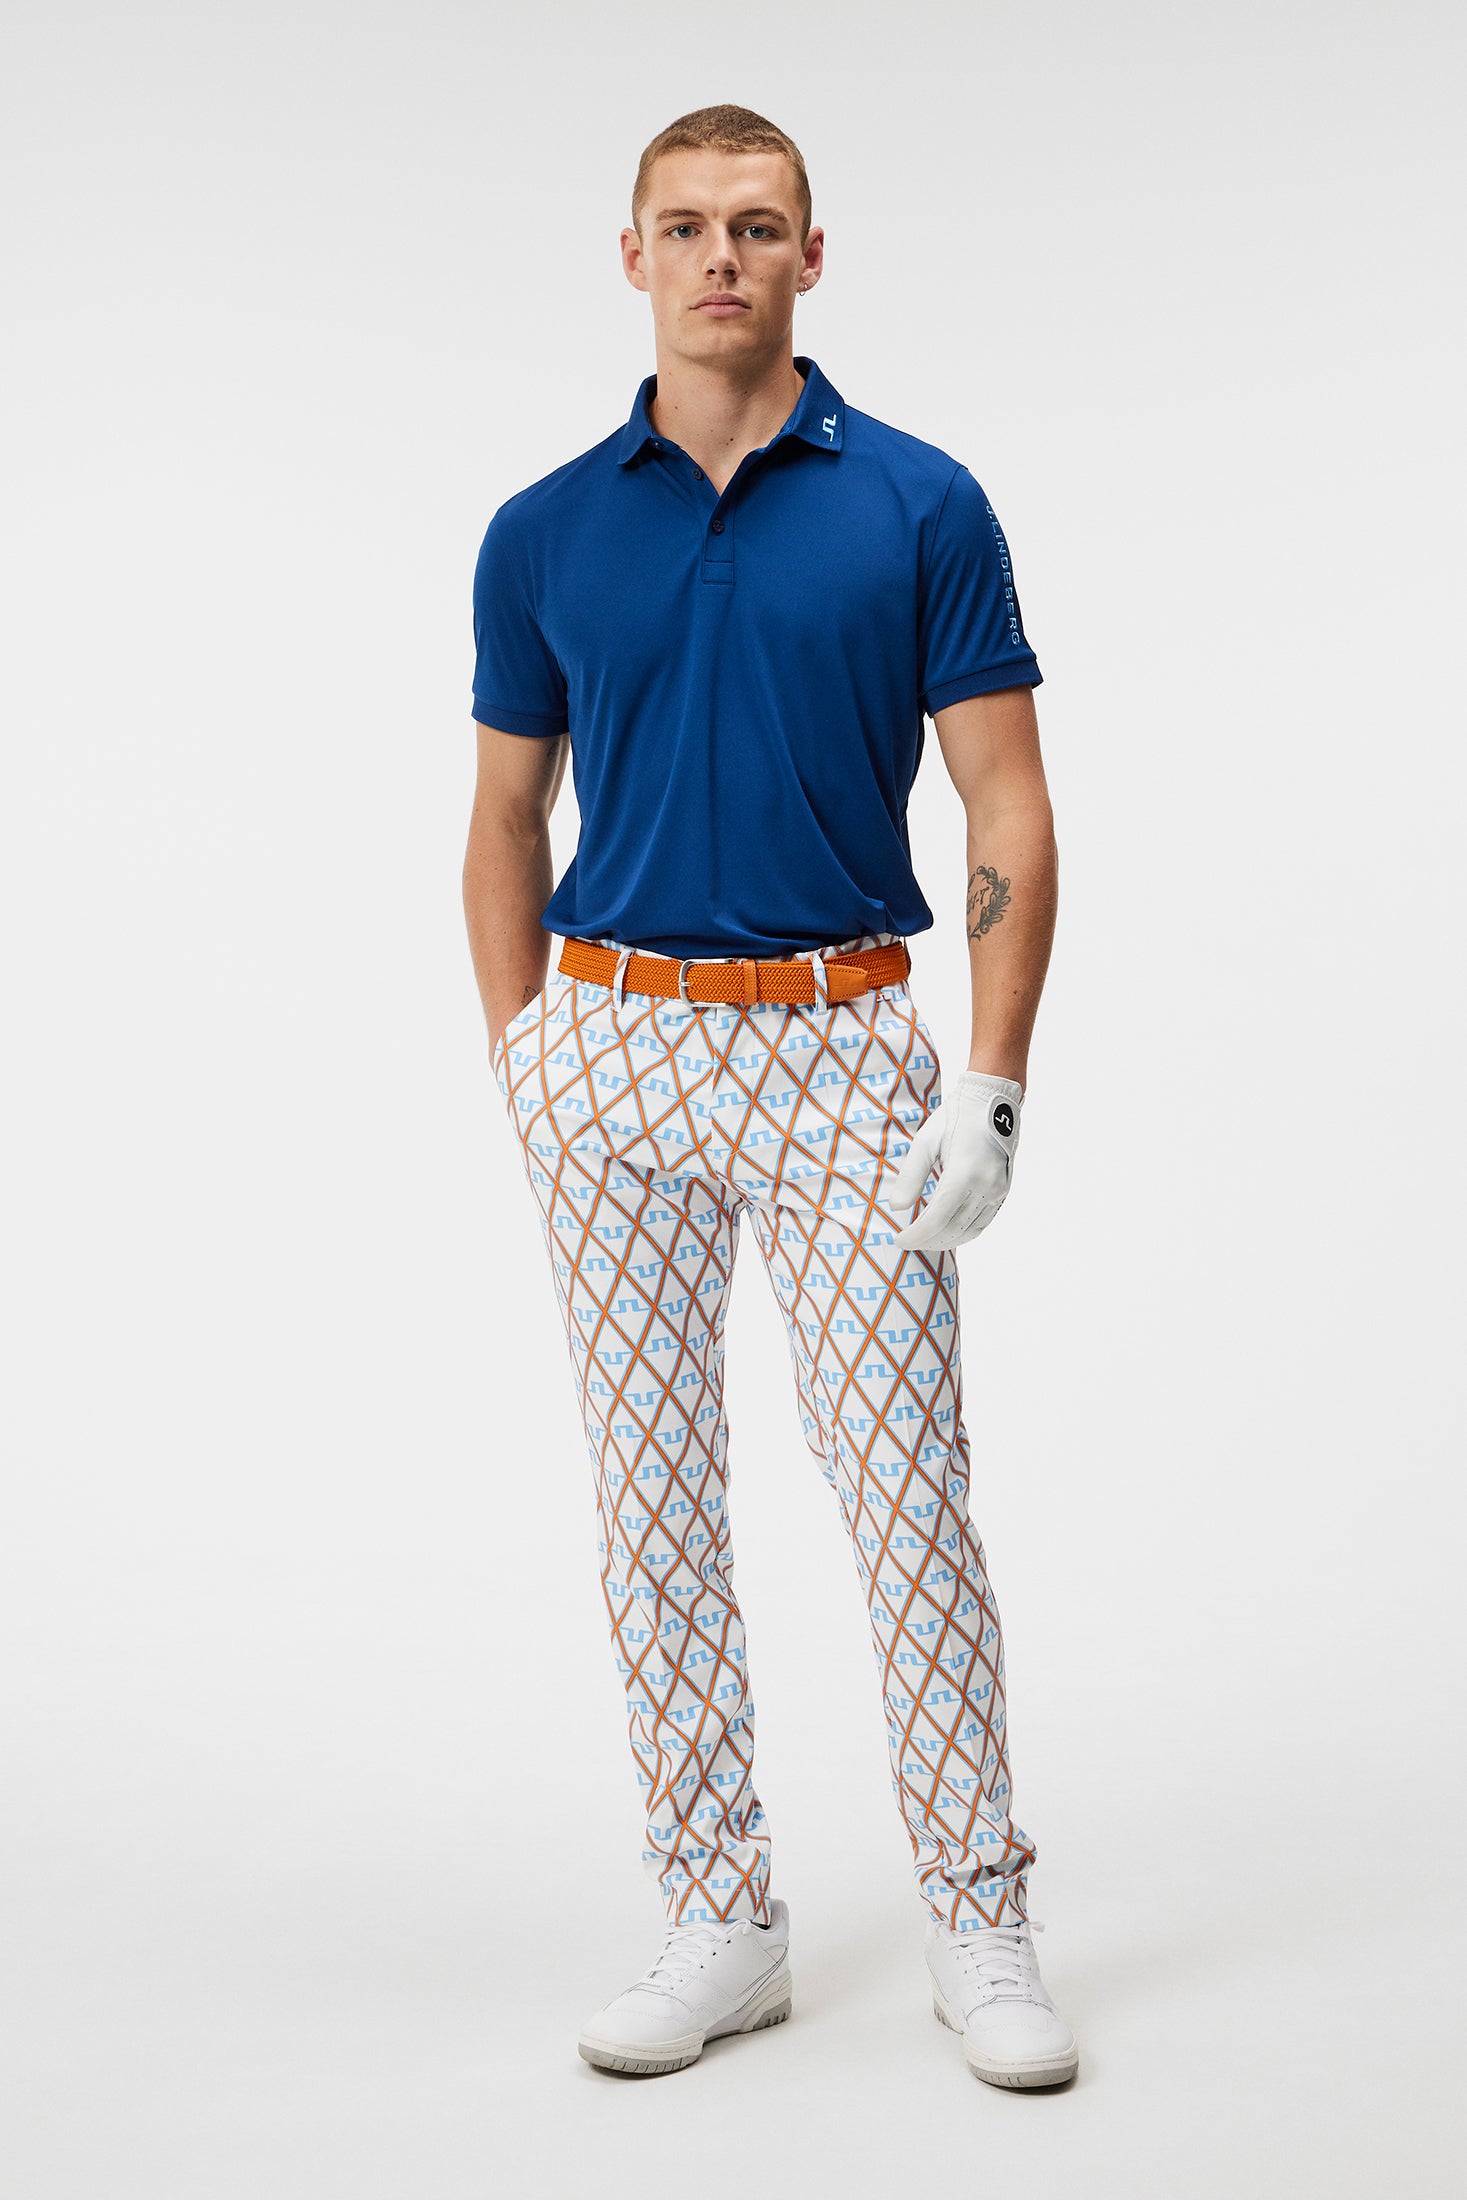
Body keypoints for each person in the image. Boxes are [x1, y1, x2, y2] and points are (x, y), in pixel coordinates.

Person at [461, 103, 1077, 2091]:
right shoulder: (544, 529)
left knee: (906, 1488)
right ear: (631, 254)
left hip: (837, 1041)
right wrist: (526, 1054)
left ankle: (977, 1911)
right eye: (684, 226)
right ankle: (718, 1909)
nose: (718, 257)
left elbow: (1003, 800)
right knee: (649, 1496)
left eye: (754, 226)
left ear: (812, 255)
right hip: (611, 1045)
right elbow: (503, 812)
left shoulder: (916, 503)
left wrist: (991, 1077)